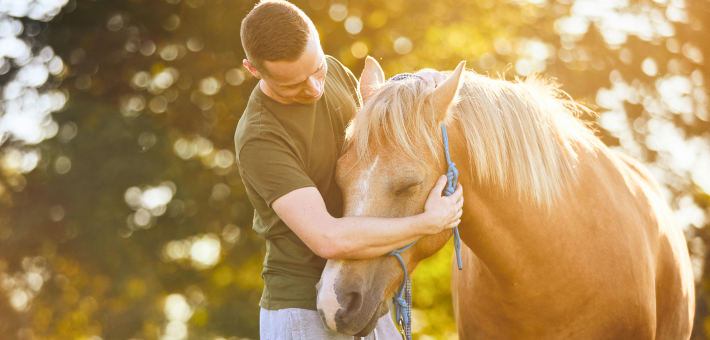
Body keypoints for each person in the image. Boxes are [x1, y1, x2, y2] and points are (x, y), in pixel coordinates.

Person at [234, 1, 464, 339]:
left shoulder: (335, 73)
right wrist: (427, 223)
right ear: (254, 71)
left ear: (317, 41)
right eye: (293, 85)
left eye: (316, 70)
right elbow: (327, 238)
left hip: (367, 292)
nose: (313, 88)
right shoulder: (260, 136)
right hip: (303, 310)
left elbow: (379, 149)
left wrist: (418, 87)